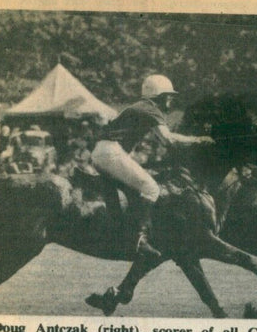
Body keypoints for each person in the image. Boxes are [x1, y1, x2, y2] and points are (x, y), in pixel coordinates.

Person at [91, 75, 214, 260]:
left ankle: (121, 229)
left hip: (104, 152)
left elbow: (164, 142)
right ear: (160, 96)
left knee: (134, 188)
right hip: (111, 152)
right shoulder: (150, 109)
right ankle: (140, 240)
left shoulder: (140, 107)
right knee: (151, 188)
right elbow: (168, 139)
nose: (171, 100)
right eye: (169, 96)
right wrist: (198, 140)